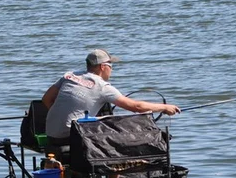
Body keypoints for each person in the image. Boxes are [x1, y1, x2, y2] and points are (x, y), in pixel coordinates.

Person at [41, 49, 180, 152]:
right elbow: (136, 106)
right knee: (121, 142)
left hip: (51, 133)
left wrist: (61, 118)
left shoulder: (69, 76)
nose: (112, 70)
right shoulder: (101, 86)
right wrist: (164, 107)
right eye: (111, 66)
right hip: (70, 137)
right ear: (103, 67)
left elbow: (46, 99)